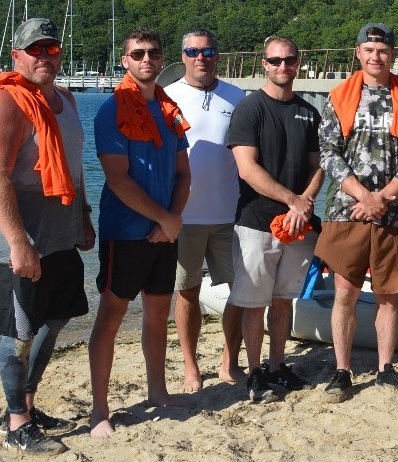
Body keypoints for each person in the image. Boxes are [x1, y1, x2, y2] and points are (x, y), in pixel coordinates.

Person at [0, 18, 93, 455]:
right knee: (19, 332)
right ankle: (16, 423)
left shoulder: (67, 101)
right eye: (34, 50)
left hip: (59, 235)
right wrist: (18, 243)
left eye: (51, 49)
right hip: (14, 240)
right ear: (16, 55)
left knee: (55, 321)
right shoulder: (2, 103)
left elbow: (74, 167)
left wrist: (85, 217)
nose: (44, 56)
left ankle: (28, 405)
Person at [314, 23, 398, 403]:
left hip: (392, 213)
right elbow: (328, 153)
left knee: (387, 294)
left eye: (382, 50)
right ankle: (342, 371)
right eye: (369, 49)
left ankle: (385, 369)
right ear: (358, 53)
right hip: (346, 211)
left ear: (392, 54)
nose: (376, 56)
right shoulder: (339, 96)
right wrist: (363, 195)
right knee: (344, 292)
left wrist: (386, 196)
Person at [89, 28, 191, 437]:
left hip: (166, 231)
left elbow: (184, 173)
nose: (146, 59)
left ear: (161, 58)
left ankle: (157, 390)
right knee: (111, 318)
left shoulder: (169, 110)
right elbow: (118, 180)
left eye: (153, 53)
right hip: (125, 231)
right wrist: (164, 220)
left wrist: (174, 219)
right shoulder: (112, 110)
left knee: (158, 314)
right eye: (138, 53)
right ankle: (99, 410)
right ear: (125, 61)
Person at [227, 36, 323, 404]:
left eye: (290, 60)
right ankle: (253, 373)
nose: (283, 67)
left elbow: (320, 167)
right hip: (256, 222)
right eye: (276, 61)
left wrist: (306, 202)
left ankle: (277, 365)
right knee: (253, 302)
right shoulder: (250, 110)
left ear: (299, 64)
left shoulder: (309, 113)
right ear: (264, 64)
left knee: (283, 300)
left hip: (299, 225)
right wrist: (292, 200)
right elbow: (246, 168)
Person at [164, 29, 246, 392]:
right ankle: (191, 367)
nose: (201, 58)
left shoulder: (237, 96)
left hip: (230, 215)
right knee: (186, 293)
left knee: (240, 292)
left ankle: (230, 362)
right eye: (193, 51)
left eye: (208, 51)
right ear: (182, 56)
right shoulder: (167, 97)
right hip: (184, 218)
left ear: (217, 55)